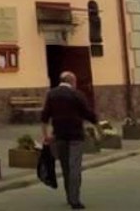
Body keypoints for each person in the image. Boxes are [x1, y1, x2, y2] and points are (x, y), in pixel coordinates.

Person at [41, 71, 98, 209]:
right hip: (75, 136)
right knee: (74, 167)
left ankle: (69, 196)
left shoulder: (51, 94)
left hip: (59, 136)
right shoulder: (77, 94)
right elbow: (88, 113)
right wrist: (99, 130)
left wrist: (46, 136)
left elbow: (45, 116)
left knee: (66, 167)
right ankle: (75, 200)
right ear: (72, 81)